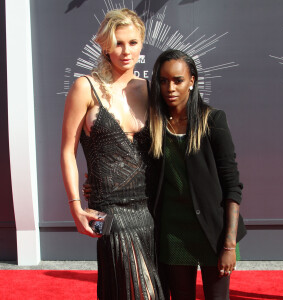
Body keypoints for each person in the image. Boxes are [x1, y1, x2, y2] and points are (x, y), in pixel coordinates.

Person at [61, 8, 164, 300]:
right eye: (118, 43)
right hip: (110, 210)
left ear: (142, 44)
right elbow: (67, 150)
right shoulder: (86, 87)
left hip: (147, 209)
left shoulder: (149, 89)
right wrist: (75, 205)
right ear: (105, 44)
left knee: (144, 291)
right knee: (139, 291)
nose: (125, 50)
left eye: (132, 43)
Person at [148, 49, 247, 300]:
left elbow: (232, 186)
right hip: (172, 232)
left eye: (178, 80)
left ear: (192, 81)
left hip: (211, 232)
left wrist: (229, 245)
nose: (170, 87)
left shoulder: (212, 120)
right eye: (163, 80)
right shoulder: (154, 125)